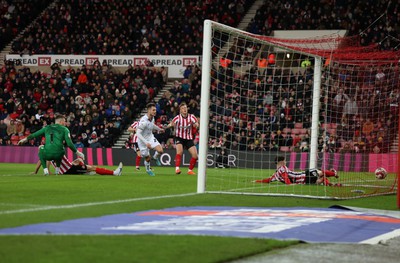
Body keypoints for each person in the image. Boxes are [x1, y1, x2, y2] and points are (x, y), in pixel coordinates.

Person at [18, 114, 85, 175]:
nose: (65, 123)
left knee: (42, 149)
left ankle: (46, 170)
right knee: (60, 150)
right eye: (64, 121)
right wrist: (78, 153)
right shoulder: (65, 129)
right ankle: (56, 170)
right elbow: (69, 144)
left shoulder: (47, 128)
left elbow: (35, 134)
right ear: (61, 121)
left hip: (48, 153)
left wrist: (25, 139)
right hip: (59, 154)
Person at [254, 156, 340, 186]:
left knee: (319, 180)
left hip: (303, 181)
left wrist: (256, 181)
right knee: (319, 172)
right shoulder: (282, 168)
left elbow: (268, 180)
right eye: (285, 160)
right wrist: (289, 184)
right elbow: (285, 177)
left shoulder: (276, 174)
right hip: (303, 175)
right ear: (281, 162)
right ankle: (334, 173)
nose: (286, 162)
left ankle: (329, 183)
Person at [165, 102, 199, 175]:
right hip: (179, 137)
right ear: (180, 110)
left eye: (185, 108)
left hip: (188, 138)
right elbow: (171, 124)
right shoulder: (177, 118)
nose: (184, 109)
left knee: (195, 156)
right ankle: (177, 169)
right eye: (183, 108)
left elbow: (196, 123)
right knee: (180, 152)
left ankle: (189, 170)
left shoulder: (191, 117)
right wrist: (168, 126)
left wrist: (196, 125)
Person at [136, 103, 164, 176]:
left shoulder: (152, 118)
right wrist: (146, 143)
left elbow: (152, 125)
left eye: (155, 110)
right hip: (142, 141)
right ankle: (148, 170)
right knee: (148, 158)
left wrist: (159, 129)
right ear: (148, 110)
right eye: (153, 110)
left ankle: (155, 158)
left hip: (150, 137)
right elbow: (138, 133)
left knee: (160, 150)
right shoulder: (143, 121)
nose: (155, 111)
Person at [31, 153, 123, 176]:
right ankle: (115, 173)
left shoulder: (47, 152)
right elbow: (47, 161)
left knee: (79, 161)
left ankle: (84, 172)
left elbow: (41, 161)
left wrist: (36, 172)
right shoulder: (56, 150)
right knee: (93, 168)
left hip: (68, 167)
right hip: (69, 169)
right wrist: (49, 172)